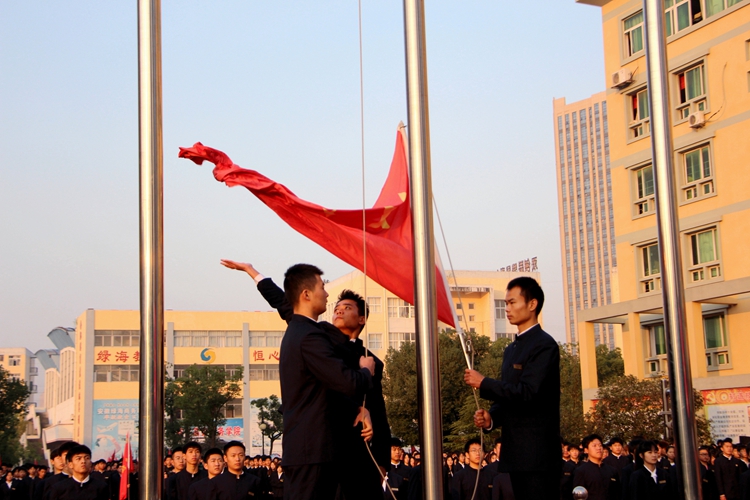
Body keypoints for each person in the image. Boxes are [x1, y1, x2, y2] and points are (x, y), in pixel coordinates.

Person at [222, 258, 393, 477]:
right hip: (322, 443)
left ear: (361, 319)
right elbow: (283, 302)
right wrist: (252, 271)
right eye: (337, 308)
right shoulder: (318, 335)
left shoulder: (371, 361)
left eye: (347, 308)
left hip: (358, 450)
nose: (338, 311)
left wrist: (382, 460)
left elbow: (378, 410)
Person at [274, 263, 375, 500]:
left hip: (313, 452)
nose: (327, 293)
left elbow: (321, 392)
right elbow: (348, 382)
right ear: (306, 294)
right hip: (311, 453)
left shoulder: (301, 331)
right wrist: (365, 371)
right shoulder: (309, 336)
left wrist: (357, 409)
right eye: (322, 286)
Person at [463, 277, 560, 500]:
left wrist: (484, 382)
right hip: (516, 453)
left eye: (512, 302)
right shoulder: (511, 350)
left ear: (532, 304)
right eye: (505, 303)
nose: (507, 309)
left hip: (538, 455)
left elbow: (528, 393)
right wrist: (491, 418)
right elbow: (507, 397)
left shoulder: (544, 345)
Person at [571, 434, 620, 500]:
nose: (598, 448)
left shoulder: (612, 470)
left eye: (600, 445)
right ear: (586, 450)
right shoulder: (581, 471)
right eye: (594, 446)